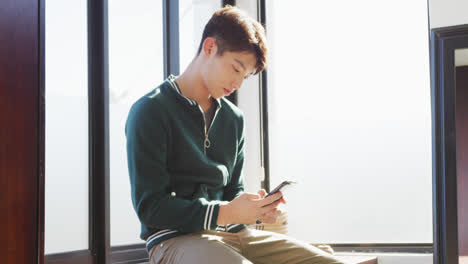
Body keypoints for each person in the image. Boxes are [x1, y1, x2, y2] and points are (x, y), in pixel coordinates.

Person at [126, 5, 349, 264]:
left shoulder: (234, 119)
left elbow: (233, 192)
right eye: (235, 68)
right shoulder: (150, 110)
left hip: (236, 235)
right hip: (174, 241)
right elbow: (151, 208)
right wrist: (227, 212)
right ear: (209, 48)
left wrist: (255, 210)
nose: (237, 84)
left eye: (244, 76)